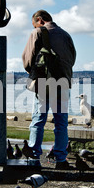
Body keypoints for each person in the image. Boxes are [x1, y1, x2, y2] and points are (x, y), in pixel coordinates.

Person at [22, 10, 76, 169]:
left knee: (38, 121)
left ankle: (34, 158)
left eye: (34, 23)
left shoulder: (37, 32)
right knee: (61, 123)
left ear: (39, 20)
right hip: (63, 81)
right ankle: (60, 159)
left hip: (44, 82)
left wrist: (31, 71)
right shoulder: (66, 35)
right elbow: (72, 58)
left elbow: (28, 58)